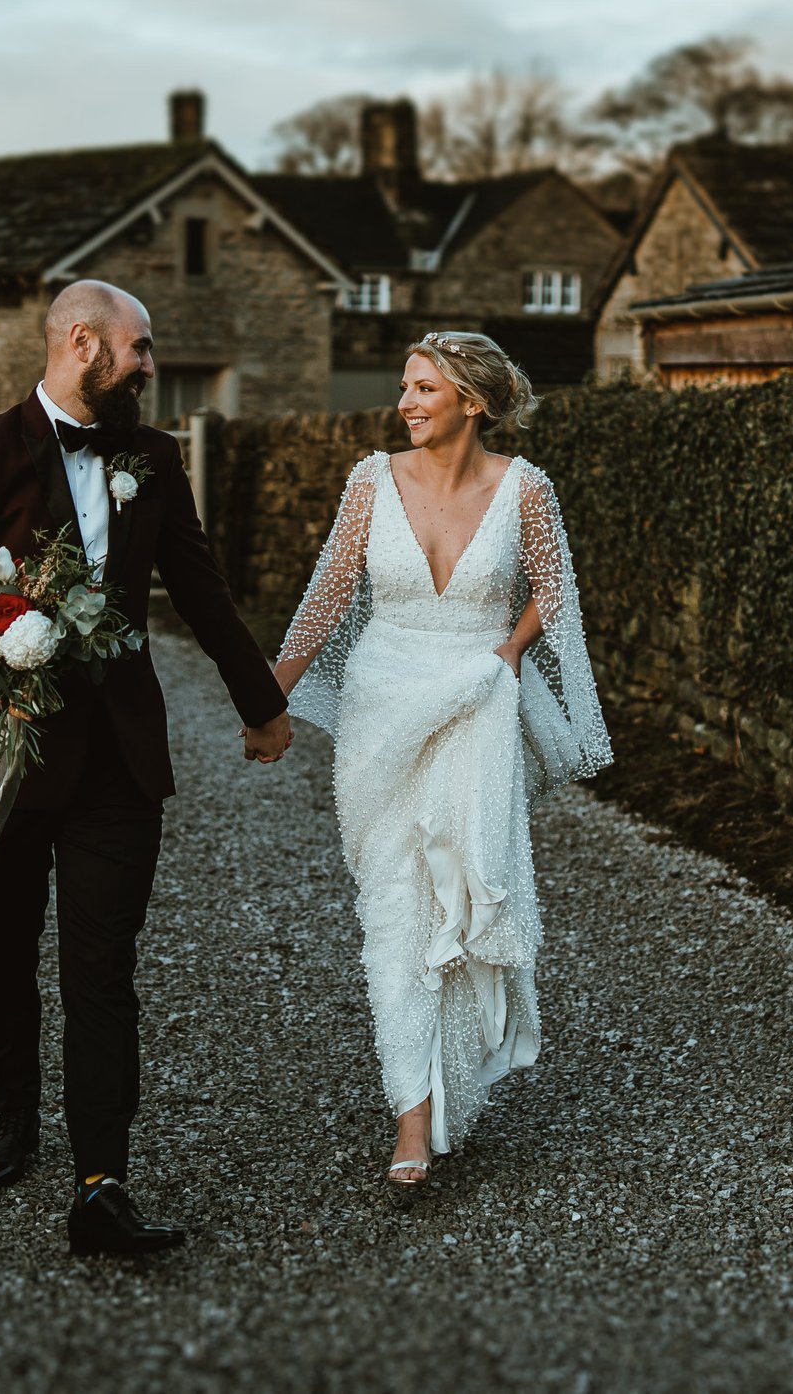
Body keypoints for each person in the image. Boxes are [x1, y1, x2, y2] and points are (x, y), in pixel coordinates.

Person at [0, 279, 294, 1255]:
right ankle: (14, 1115)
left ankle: (100, 1180)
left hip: (117, 760)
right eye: (142, 347)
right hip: (5, 753)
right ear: (83, 342)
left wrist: (262, 701)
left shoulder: (152, 459)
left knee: (101, 971)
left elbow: (198, 587)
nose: (152, 366)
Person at [273, 331, 610, 1185]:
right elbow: (326, 596)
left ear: (473, 400)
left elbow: (555, 590)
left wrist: (505, 656)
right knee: (393, 903)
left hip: (478, 703)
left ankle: (436, 1098)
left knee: (460, 891)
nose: (407, 402)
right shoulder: (369, 480)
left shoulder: (525, 487)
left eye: (424, 388)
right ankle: (411, 1112)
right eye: (404, 388)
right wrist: (268, 691)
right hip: (381, 708)